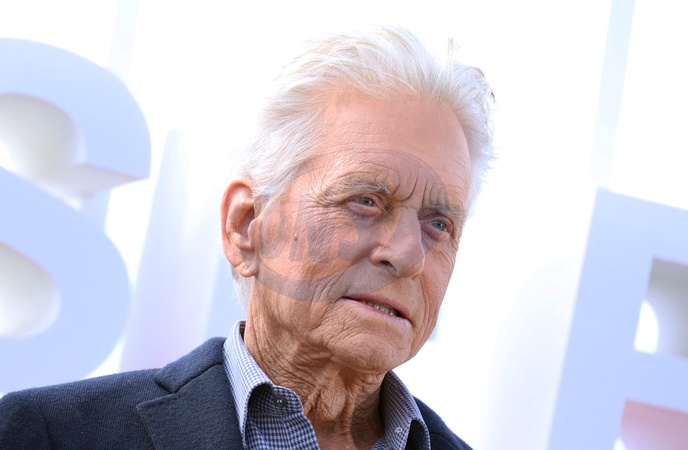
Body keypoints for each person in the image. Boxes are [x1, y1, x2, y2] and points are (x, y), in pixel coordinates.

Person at [0, 25, 494, 449]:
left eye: (438, 223)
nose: (407, 253)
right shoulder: (44, 435)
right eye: (365, 201)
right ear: (246, 226)